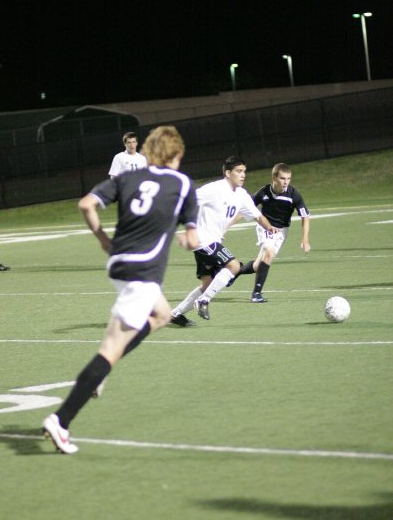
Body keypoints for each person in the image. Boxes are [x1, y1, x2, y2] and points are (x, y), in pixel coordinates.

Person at [43, 125, 199, 454]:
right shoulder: (183, 183)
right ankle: (61, 420)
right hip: (143, 271)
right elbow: (194, 238)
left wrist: (102, 239)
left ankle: (101, 373)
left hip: (118, 263)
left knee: (162, 314)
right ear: (177, 154)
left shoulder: (127, 178)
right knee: (109, 351)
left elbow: (86, 204)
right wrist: (187, 239)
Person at [170, 156, 277, 325]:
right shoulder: (214, 189)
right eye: (238, 171)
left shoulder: (242, 195)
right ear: (228, 173)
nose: (243, 175)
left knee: (207, 284)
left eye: (244, 172)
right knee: (234, 266)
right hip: (203, 239)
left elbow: (257, 216)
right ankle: (204, 301)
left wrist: (270, 228)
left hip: (209, 241)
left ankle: (175, 314)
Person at [234, 162, 310, 302]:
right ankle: (256, 294)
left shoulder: (294, 194)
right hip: (265, 226)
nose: (286, 182)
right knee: (269, 252)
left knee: (259, 265)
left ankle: (235, 271)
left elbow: (305, 216)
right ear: (274, 178)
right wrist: (227, 225)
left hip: (282, 232)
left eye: (288, 178)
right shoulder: (264, 192)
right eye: (282, 178)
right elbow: (245, 209)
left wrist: (305, 239)